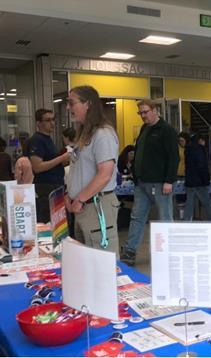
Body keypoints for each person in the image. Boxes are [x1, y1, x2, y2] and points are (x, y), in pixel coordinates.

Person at [121, 99, 179, 266]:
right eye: (140, 113)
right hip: (142, 184)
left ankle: (168, 253)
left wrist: (169, 181)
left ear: (155, 110)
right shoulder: (145, 129)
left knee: (165, 218)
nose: (143, 116)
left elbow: (173, 158)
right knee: (137, 217)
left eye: (145, 112)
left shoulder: (166, 130)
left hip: (160, 184)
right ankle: (130, 251)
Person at [64, 85, 120, 252]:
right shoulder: (85, 134)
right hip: (82, 207)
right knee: (85, 260)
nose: (68, 107)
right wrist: (70, 194)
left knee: (101, 260)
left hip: (96, 206)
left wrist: (80, 198)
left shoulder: (103, 134)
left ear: (87, 104)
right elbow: (80, 170)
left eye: (71, 103)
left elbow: (105, 174)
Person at [28, 109, 71, 224]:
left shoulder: (48, 140)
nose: (52, 123)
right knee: (50, 222)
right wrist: (61, 158)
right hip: (46, 186)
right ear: (38, 123)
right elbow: (37, 167)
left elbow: (50, 162)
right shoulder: (37, 140)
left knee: (59, 222)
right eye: (47, 120)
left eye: (53, 120)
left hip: (55, 185)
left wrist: (63, 161)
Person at [183, 134, 211, 223]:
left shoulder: (187, 149)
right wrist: (206, 179)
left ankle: (187, 221)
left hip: (189, 180)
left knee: (189, 203)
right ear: (200, 140)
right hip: (200, 181)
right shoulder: (200, 149)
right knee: (206, 202)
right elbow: (202, 166)